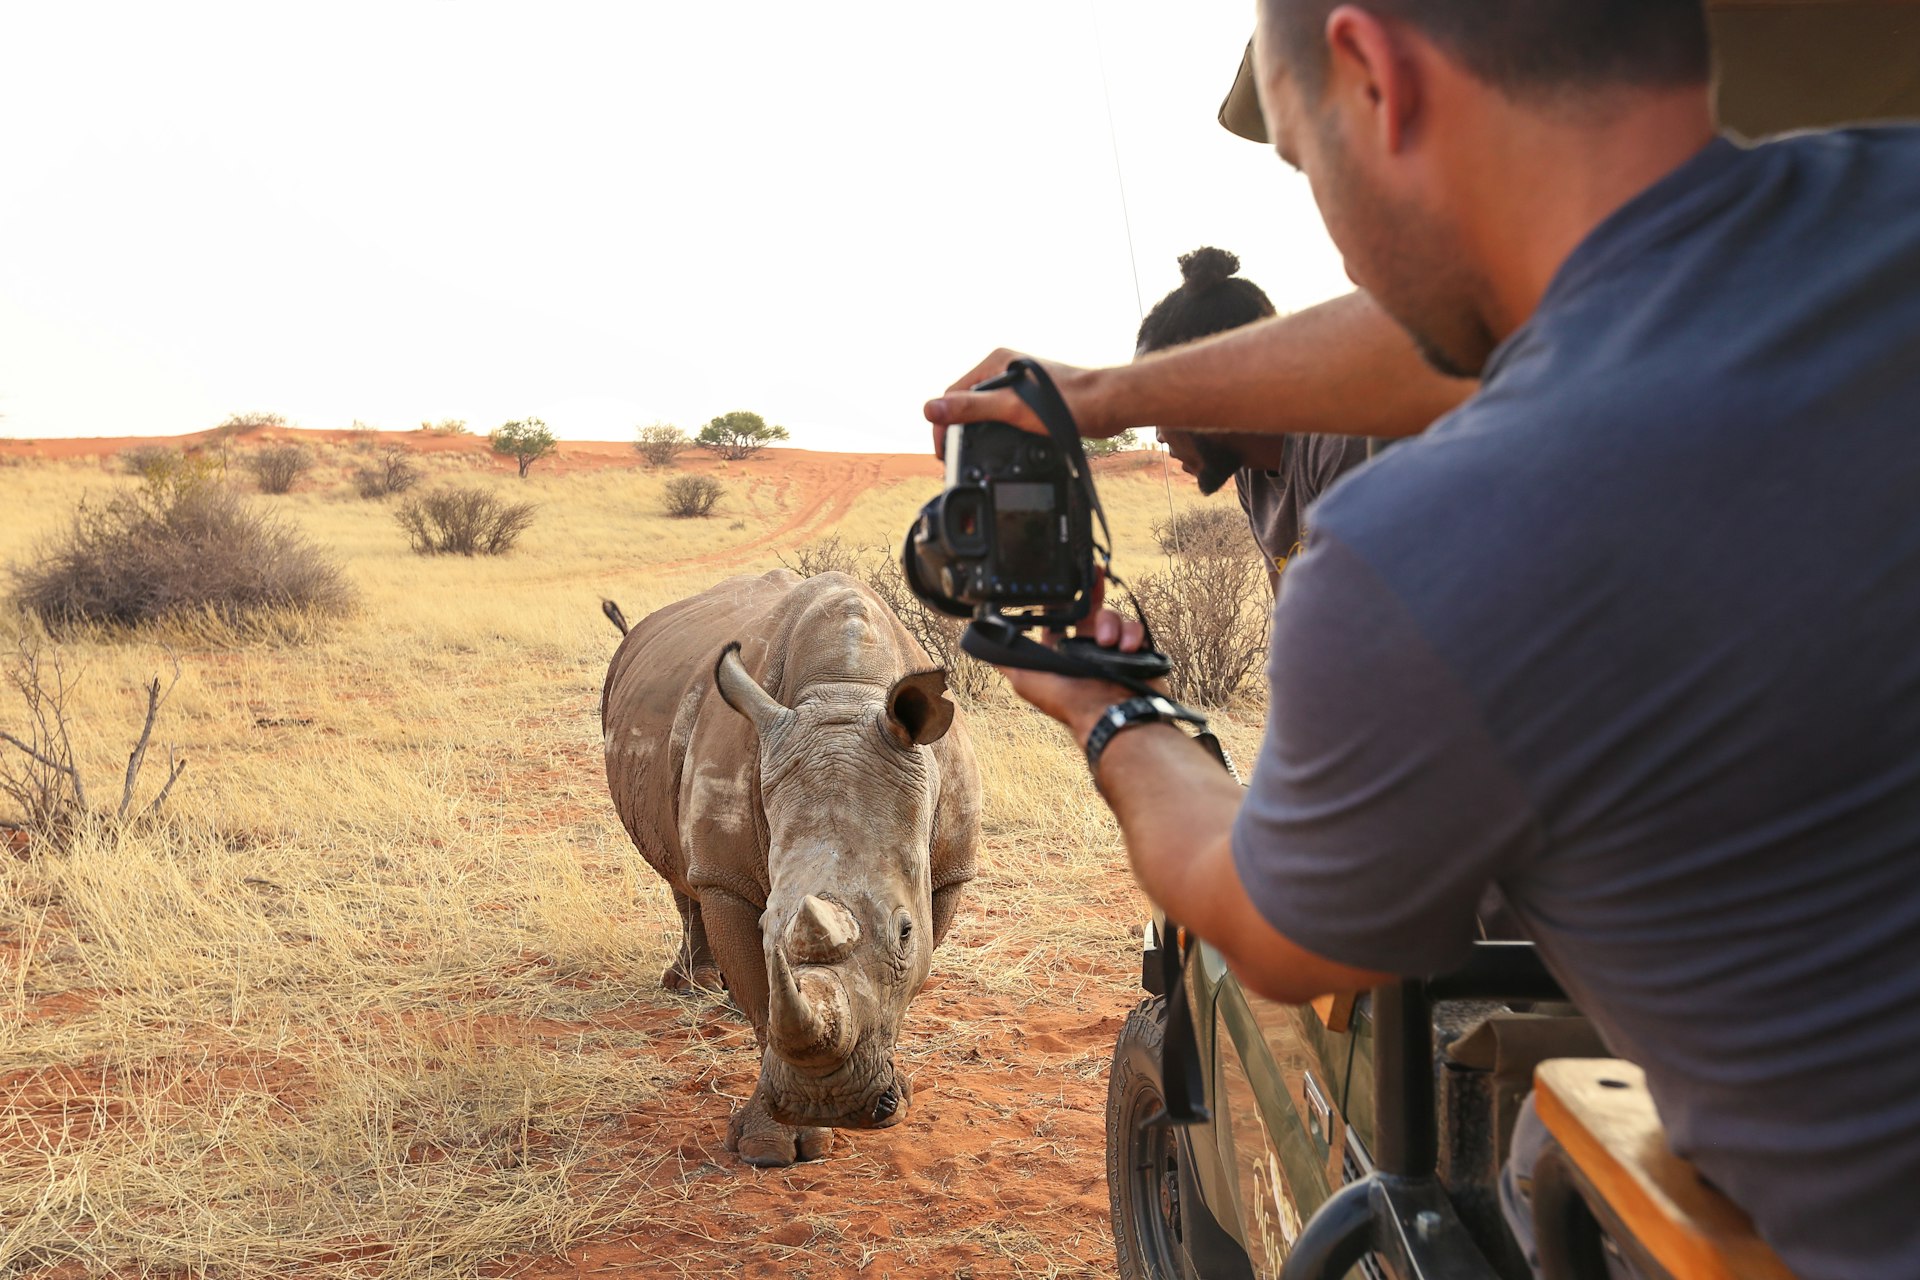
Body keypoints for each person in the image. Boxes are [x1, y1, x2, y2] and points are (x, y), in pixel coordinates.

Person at [925, 2, 1920, 1277]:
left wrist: (1107, 706)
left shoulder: (1435, 542)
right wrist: (1103, 394)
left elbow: (1278, 930)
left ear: (1374, 75)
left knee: (1529, 1169)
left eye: (1303, 158)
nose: (1334, 226)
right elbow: (1519, 331)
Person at [1135, 245, 1372, 590]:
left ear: (1209, 394)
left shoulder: (1335, 444)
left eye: (1159, 406)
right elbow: (1290, 612)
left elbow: (1365, 616)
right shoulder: (1252, 474)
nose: (1159, 434)